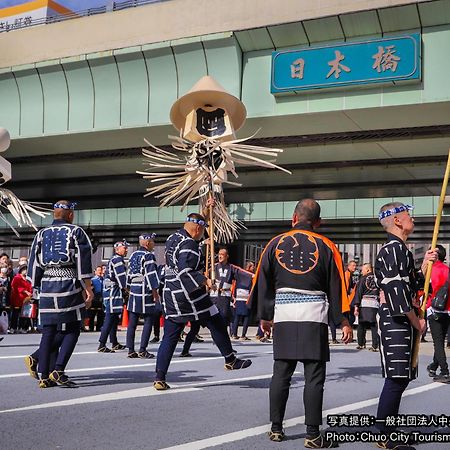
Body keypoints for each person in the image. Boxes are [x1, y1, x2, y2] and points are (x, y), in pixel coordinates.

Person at [250, 198, 352, 448]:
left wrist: (265, 315)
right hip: (313, 315)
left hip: (284, 314)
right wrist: (343, 321)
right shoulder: (327, 245)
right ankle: (313, 434)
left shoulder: (274, 243)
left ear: (293, 218)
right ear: (318, 222)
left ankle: (276, 428)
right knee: (314, 378)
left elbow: (261, 280)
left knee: (281, 374)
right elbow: (337, 285)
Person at [154, 212, 252, 390]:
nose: (203, 236)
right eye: (203, 231)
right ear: (198, 228)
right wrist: (205, 281)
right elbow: (185, 271)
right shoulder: (189, 244)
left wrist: (207, 211)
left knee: (170, 335)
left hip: (171, 293)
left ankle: (159, 378)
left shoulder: (173, 237)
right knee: (216, 321)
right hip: (188, 294)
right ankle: (230, 359)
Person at [374, 202, 437, 450]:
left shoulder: (400, 250)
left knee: (400, 377)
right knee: (396, 378)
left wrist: (423, 268)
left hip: (399, 319)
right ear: (397, 220)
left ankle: (388, 428)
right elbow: (398, 295)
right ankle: (384, 433)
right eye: (408, 215)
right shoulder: (392, 249)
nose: (412, 218)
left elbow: (410, 284)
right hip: (397, 320)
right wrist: (417, 321)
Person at [26, 200, 94, 388]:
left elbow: (34, 263)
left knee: (48, 331)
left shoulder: (41, 234)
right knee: (73, 327)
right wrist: (88, 288)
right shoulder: (76, 232)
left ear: (54, 214)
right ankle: (59, 369)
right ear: (70, 215)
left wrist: (35, 286)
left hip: (47, 286)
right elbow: (83, 261)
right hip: (68, 284)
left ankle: (43, 376)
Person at [126, 233, 160, 359]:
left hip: (133, 289)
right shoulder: (148, 255)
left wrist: (128, 287)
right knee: (148, 320)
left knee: (132, 322)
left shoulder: (133, 255)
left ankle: (130, 349)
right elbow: (151, 274)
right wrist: (155, 293)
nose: (154, 244)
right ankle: (142, 349)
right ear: (147, 243)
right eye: (152, 242)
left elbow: (128, 272)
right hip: (144, 289)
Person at [425, 244, 450, 383]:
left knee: (438, 343)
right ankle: (434, 366)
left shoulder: (431, 269)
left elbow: (426, 288)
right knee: (440, 340)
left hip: (434, 308)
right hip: (447, 309)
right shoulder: (447, 269)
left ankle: (445, 372)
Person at [98, 240, 128, 353]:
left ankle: (114, 342)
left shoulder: (115, 259)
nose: (126, 250)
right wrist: (126, 289)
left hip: (110, 290)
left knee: (114, 317)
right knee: (110, 317)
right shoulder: (117, 259)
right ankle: (102, 343)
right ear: (117, 249)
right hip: (113, 291)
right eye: (124, 248)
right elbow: (121, 277)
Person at [353, 263, 379, 351]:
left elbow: (359, 292)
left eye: (363, 270)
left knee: (361, 325)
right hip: (375, 304)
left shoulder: (363, 279)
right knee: (374, 326)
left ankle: (361, 343)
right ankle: (375, 345)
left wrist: (356, 305)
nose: (362, 272)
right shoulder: (377, 279)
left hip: (364, 303)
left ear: (368, 269)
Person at [231, 263, 254, 340]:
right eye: (253, 266)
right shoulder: (251, 276)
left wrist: (234, 296)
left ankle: (234, 334)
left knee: (237, 317)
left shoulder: (239, 274)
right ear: (249, 267)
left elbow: (235, 284)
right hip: (246, 297)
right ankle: (243, 335)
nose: (254, 268)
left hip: (238, 297)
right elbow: (252, 287)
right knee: (246, 317)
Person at [10, 264, 33, 333]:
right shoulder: (17, 278)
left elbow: (31, 287)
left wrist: (30, 294)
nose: (25, 271)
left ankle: (21, 327)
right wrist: (25, 291)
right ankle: (13, 328)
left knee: (24, 314)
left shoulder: (28, 279)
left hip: (25, 299)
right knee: (15, 314)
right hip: (17, 299)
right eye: (24, 269)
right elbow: (16, 286)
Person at [89, 265, 105, 332]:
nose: (99, 272)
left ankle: (99, 327)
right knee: (92, 314)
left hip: (101, 299)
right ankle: (91, 328)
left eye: (100, 270)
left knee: (101, 314)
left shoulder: (103, 279)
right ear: (95, 272)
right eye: (98, 270)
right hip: (94, 299)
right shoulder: (92, 280)